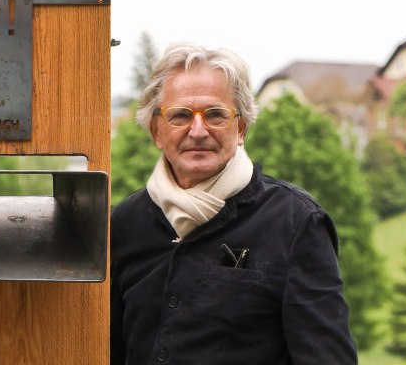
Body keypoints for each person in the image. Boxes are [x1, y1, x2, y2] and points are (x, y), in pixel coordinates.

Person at [110, 42, 357, 364]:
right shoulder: (125, 223)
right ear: (156, 130)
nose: (197, 131)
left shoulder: (295, 223)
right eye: (180, 115)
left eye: (215, 115)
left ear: (240, 128)